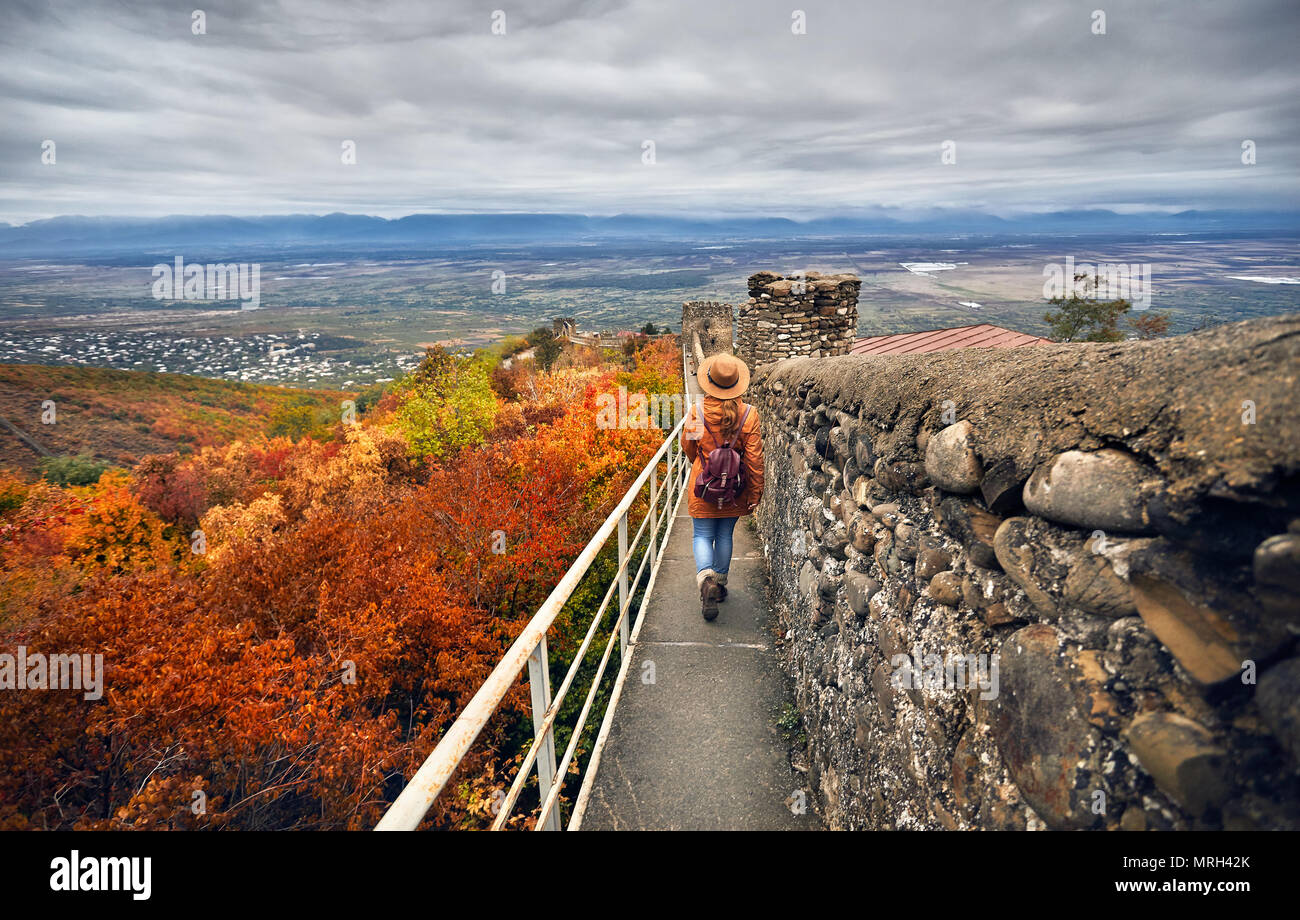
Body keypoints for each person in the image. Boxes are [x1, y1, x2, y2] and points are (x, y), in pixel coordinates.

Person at [681, 352, 765, 621]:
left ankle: (706, 581)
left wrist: (702, 465)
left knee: (702, 535)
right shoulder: (749, 415)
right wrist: (755, 493)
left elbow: (688, 447)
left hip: (704, 487)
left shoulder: (696, 412)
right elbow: (754, 459)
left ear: (709, 381)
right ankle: (719, 584)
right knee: (725, 535)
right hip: (733, 489)